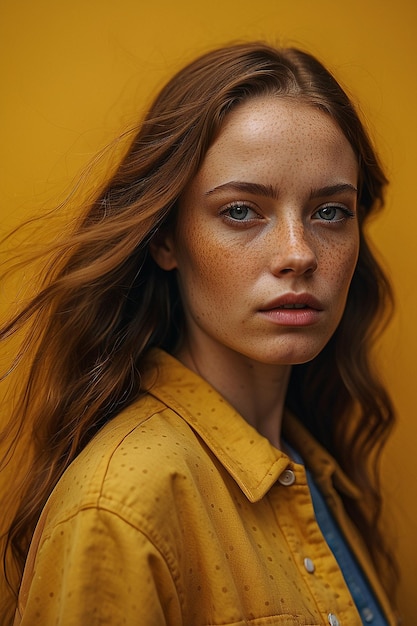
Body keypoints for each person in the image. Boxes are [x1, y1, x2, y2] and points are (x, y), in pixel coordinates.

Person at [0, 42, 400, 625]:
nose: (299, 253)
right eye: (241, 211)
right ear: (166, 239)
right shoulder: (120, 506)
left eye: (330, 212)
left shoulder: (313, 471)